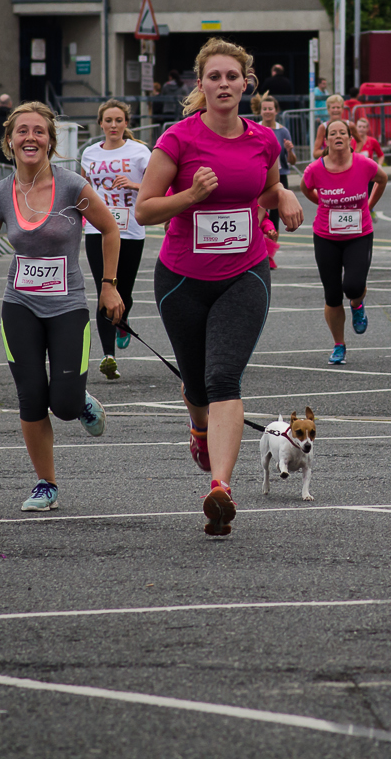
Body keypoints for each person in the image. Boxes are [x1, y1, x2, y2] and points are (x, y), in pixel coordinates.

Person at [135, 38, 304, 537]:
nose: (224, 84)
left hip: (245, 273)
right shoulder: (178, 140)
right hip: (182, 279)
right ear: (201, 84)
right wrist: (190, 195)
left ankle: (221, 489)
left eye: (233, 76)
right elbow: (144, 209)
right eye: (215, 77)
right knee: (197, 384)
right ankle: (199, 427)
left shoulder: (264, 140)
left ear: (246, 83)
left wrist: (287, 195)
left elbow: (267, 188)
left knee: (224, 378)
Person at [0, 102, 125, 512]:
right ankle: (46, 484)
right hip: (20, 305)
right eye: (22, 131)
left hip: (67, 307)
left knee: (61, 404)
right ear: (9, 141)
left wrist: (109, 286)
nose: (31, 137)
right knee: (30, 398)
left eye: (39, 131)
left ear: (50, 141)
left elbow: (111, 228)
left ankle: (79, 401)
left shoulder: (72, 187)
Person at [301, 118, 387, 365]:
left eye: (342, 133)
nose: (337, 136)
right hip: (326, 236)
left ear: (350, 139)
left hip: (359, 235)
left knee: (353, 285)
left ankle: (358, 305)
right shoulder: (315, 169)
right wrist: (323, 202)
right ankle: (339, 344)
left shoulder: (364, 164)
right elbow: (306, 188)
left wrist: (368, 206)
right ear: (326, 141)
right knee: (332, 295)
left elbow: (383, 179)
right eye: (332, 133)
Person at [80, 99, 151, 382]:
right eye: (108, 121)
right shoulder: (89, 153)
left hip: (130, 229)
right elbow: (82, 188)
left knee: (125, 291)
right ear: (100, 124)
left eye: (118, 120)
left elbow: (158, 185)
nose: (113, 125)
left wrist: (134, 185)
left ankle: (122, 322)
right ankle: (109, 356)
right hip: (97, 229)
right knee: (104, 291)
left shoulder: (140, 152)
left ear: (126, 123)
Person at [256, 95, 297, 230]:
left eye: (270, 108)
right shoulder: (255, 129)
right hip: (260, 176)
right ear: (260, 111)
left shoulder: (283, 131)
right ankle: (260, 246)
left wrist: (289, 151)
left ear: (276, 111)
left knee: (275, 218)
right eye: (264, 109)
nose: (267, 111)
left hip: (280, 177)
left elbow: (292, 161)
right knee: (259, 214)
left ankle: (272, 247)